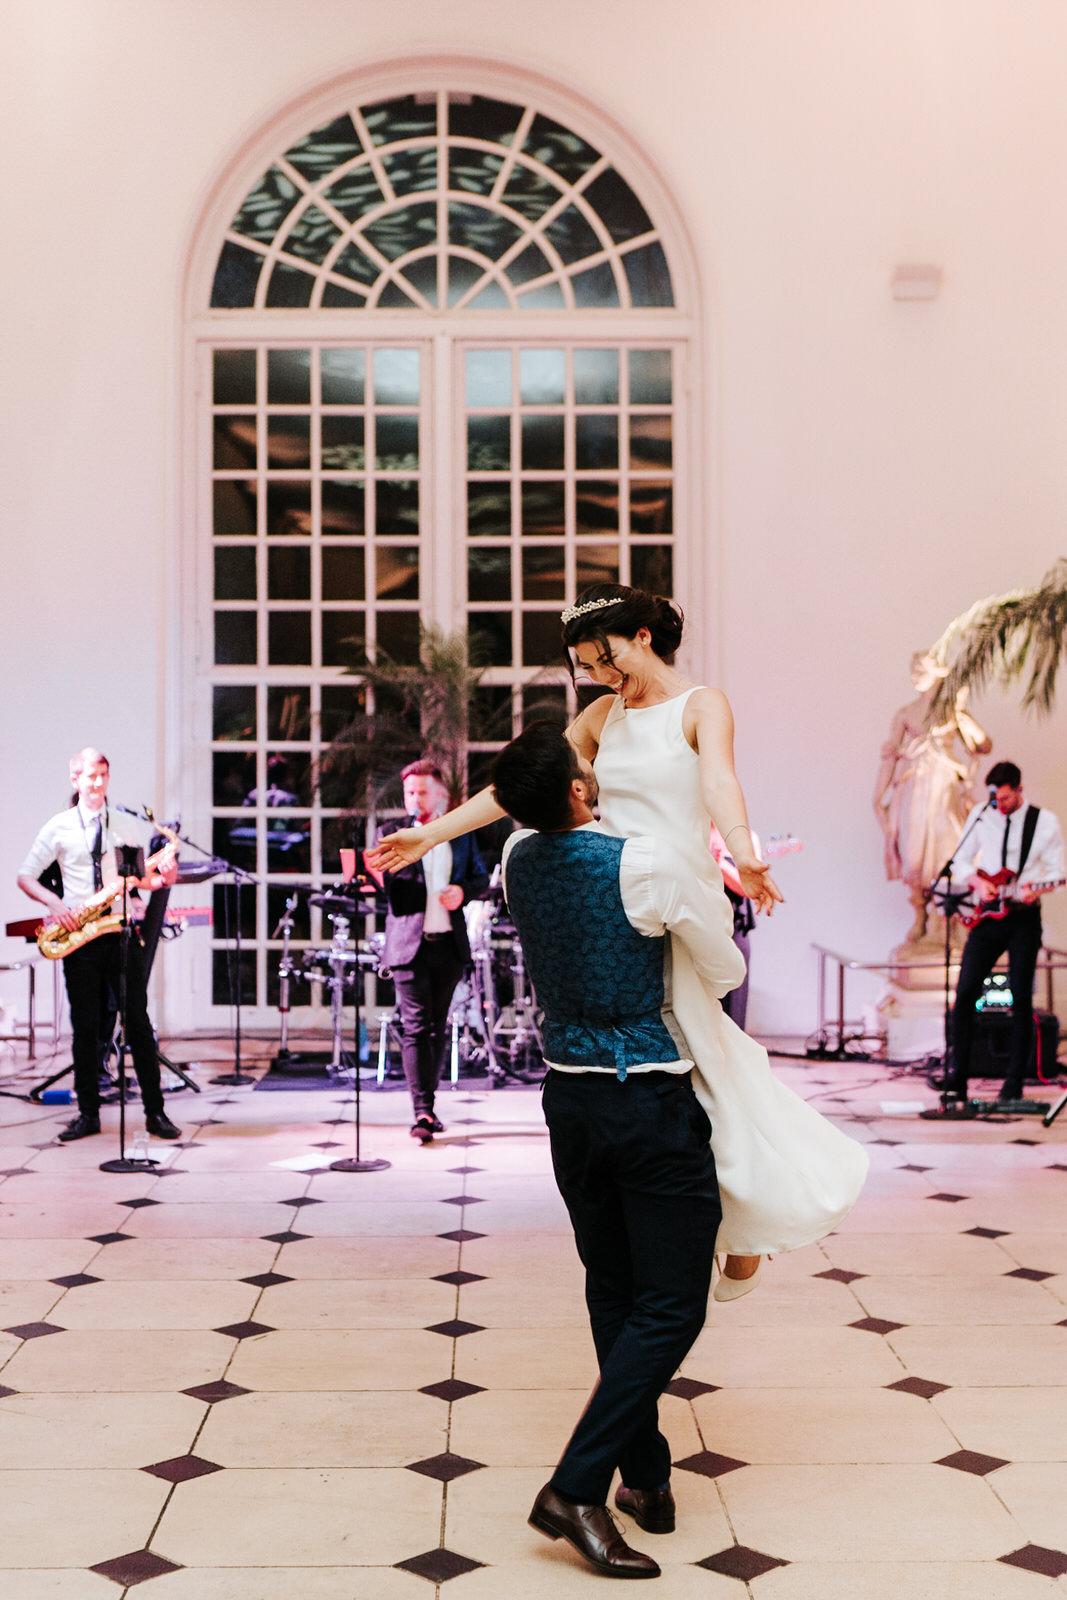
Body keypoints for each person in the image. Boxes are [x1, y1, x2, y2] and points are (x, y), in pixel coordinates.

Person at [369, 585, 868, 1288]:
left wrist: (740, 849)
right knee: (686, 1065)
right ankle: (734, 1214)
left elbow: (720, 782)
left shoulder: (701, 705)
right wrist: (430, 832)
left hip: (678, 889)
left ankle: (747, 1212)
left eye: (606, 659)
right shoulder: (601, 714)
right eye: (588, 667)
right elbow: (520, 785)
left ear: (641, 635)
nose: (603, 677)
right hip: (614, 893)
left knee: (705, 1061)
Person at [494, 722, 739, 1579]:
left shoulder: (516, 859)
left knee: (613, 1288)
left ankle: (647, 1476)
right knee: (671, 1306)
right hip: (648, 1103)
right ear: (574, 790)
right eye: (582, 766)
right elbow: (727, 968)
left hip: (568, 1101)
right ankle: (575, 1486)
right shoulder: (640, 864)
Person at [16, 748, 182, 1143]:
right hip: (81, 937)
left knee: (138, 1025)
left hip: (120, 933)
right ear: (74, 779)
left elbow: (142, 880)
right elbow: (26, 876)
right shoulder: (58, 827)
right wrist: (57, 906)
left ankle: (155, 1113)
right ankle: (87, 1113)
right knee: (85, 1028)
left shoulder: (124, 825)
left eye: (103, 775)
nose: (97, 783)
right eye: (90, 776)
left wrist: (166, 877)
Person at [370, 759, 487, 1143]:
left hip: (448, 946)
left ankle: (428, 1105)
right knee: (417, 1026)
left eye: (422, 791)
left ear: (441, 796)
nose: (415, 798)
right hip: (408, 945)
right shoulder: (390, 833)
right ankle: (422, 1111)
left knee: (437, 1027)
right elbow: (386, 890)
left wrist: (463, 892)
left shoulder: (461, 835)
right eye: (409, 792)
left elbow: (480, 877)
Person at [943, 761, 1064, 1102]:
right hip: (987, 916)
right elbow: (961, 860)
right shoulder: (982, 813)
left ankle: (1014, 1081)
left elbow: (1057, 870)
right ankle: (958, 1077)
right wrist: (977, 882)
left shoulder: (1044, 822)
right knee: (965, 992)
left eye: (1007, 798)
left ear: (1019, 790)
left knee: (1021, 999)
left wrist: (1035, 890)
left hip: (1023, 917)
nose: (1001, 804)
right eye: (997, 797)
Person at [873, 652, 992, 945]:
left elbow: (983, 744)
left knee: (946, 850)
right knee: (915, 855)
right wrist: (878, 797)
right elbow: (889, 758)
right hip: (915, 789)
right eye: (912, 668)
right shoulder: (905, 714)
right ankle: (921, 917)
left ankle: (946, 920)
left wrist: (962, 716)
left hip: (944, 787)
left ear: (937, 672)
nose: (915, 674)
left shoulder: (952, 711)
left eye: (921, 668)